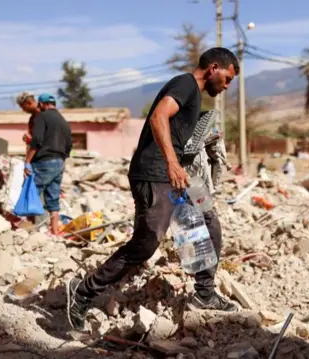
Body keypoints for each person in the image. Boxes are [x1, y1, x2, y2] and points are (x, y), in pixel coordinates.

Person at [65, 47, 239, 330]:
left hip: (176, 178)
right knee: (146, 244)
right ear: (213, 68)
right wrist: (171, 162)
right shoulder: (186, 84)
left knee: (208, 223)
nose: (227, 85)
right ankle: (83, 291)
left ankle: (205, 295)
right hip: (157, 174)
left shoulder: (194, 95)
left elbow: (175, 130)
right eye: (228, 78)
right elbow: (159, 117)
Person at [17, 92, 72, 235]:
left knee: (31, 191)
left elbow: (37, 140)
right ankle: (55, 231)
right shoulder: (63, 120)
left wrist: (28, 161)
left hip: (43, 161)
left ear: (41, 104)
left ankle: (30, 230)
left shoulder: (41, 116)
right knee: (53, 199)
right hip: (59, 162)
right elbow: (69, 145)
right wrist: (61, 160)